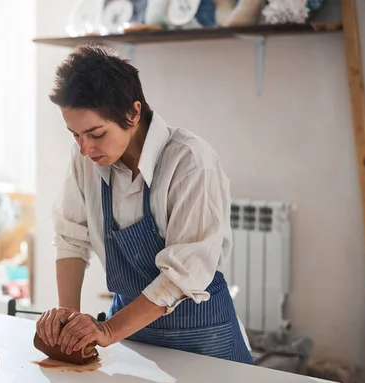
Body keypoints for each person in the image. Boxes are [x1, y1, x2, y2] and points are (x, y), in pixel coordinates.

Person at [35, 44, 253, 365]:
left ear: (133, 112)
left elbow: (183, 273)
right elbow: (71, 237)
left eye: (95, 133)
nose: (84, 148)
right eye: (75, 135)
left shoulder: (189, 161)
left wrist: (109, 331)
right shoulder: (87, 159)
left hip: (201, 335)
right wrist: (68, 320)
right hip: (129, 331)